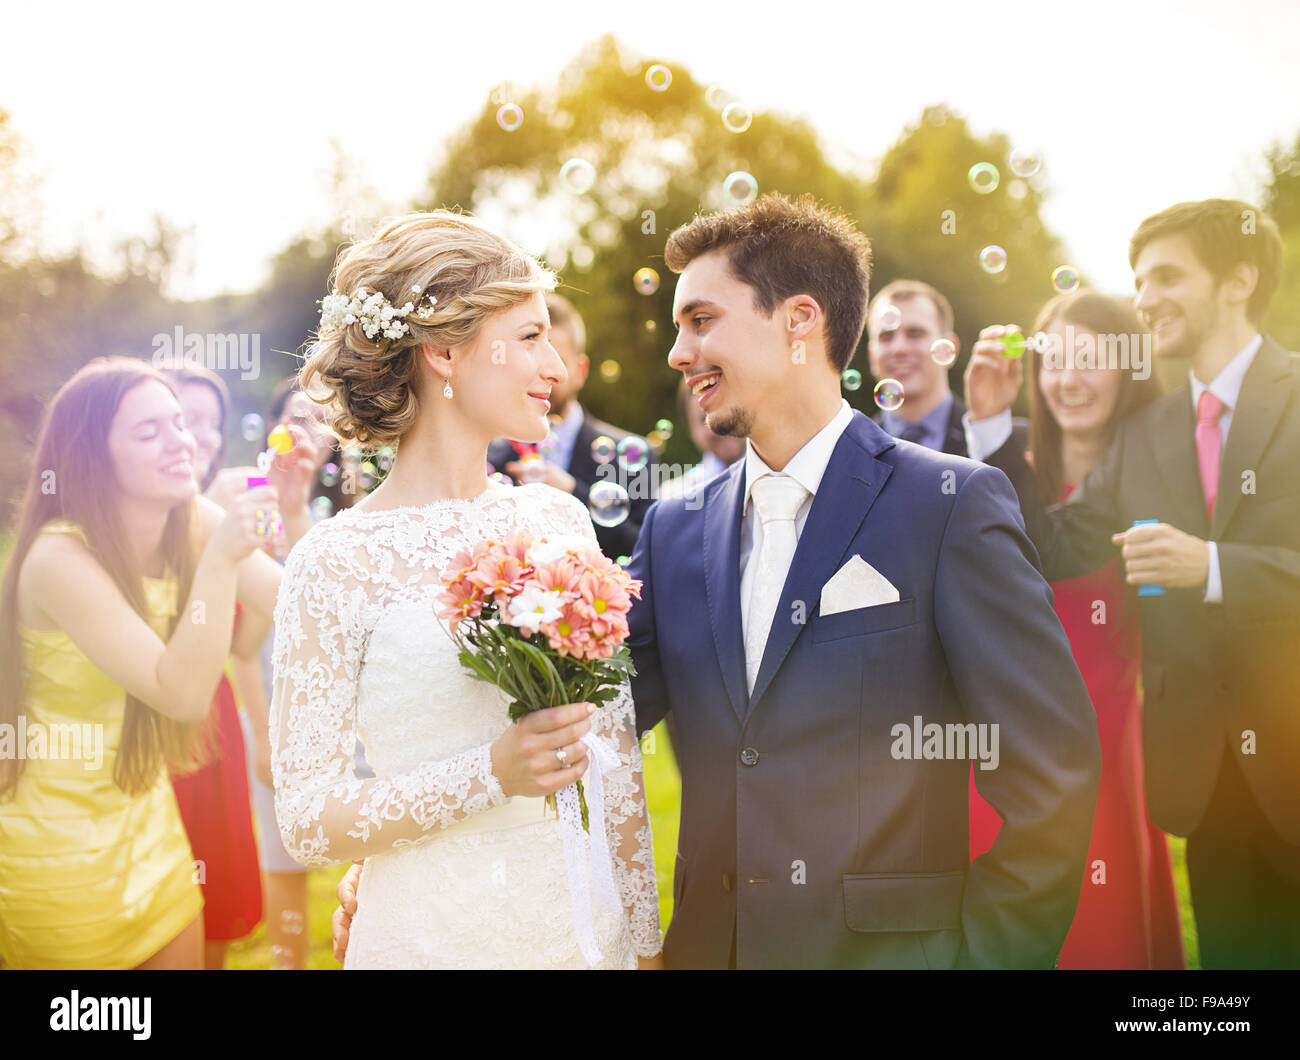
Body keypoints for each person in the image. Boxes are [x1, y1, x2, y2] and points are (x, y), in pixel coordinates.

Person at [626, 192, 1100, 968]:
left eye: (701, 320)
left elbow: (1052, 772)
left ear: (800, 320)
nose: (679, 353)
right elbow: (595, 726)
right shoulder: (671, 526)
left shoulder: (949, 505)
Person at [271, 210, 662, 968]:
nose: (555, 366)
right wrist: (491, 773)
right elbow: (308, 821)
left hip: (580, 936)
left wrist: (643, 947)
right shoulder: (334, 562)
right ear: (444, 350)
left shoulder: (560, 520)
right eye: (529, 338)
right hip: (426, 938)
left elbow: (619, 766)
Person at [964, 198, 1300, 968]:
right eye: (1140, 280)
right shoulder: (1148, 434)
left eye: (1166, 277)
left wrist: (1212, 568)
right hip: (1208, 784)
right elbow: (1052, 547)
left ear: (1239, 279)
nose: (1144, 299)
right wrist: (989, 434)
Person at [0, 356, 282, 969]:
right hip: (58, 848)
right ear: (92, 456)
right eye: (148, 433)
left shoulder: (193, 520)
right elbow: (177, 694)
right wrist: (221, 561)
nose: (183, 443)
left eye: (179, 424)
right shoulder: (57, 559)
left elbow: (300, 604)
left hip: (147, 817)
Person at [964, 290, 1183, 969]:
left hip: (1103, 741)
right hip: (998, 743)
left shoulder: (1159, 473)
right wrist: (990, 425)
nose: (1068, 379)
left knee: (1100, 931)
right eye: (1054, 360)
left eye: (1090, 359)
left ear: (1129, 367)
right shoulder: (1012, 465)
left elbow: (1048, 545)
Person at [487, 292, 656, 560]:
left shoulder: (631, 453)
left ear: (581, 371)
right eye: (530, 359)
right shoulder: (490, 457)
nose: (544, 374)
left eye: (558, 360)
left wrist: (571, 492)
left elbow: (648, 550)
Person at [866, 279, 1028, 454]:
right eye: (886, 337)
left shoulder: (1015, 442)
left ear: (949, 349)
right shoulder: (851, 449)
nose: (899, 349)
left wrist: (986, 423)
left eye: (915, 334)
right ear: (872, 355)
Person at [657, 374, 745, 502]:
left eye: (725, 411)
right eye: (705, 419)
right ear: (691, 432)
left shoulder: (778, 477)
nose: (719, 427)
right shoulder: (673, 497)